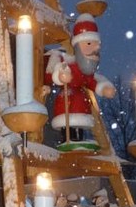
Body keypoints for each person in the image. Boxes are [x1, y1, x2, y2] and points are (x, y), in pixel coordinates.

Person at [44, 13, 115, 151]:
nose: (95, 49)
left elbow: (93, 81)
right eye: (89, 44)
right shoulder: (67, 63)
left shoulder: (86, 72)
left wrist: (104, 88)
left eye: (97, 45)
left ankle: (79, 138)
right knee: (67, 123)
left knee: (80, 123)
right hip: (66, 100)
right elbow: (55, 72)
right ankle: (67, 138)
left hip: (81, 102)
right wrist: (61, 76)